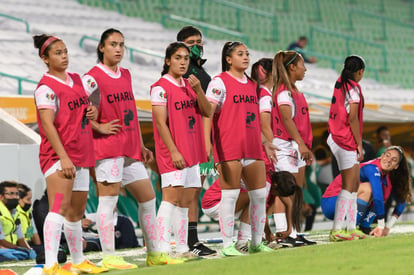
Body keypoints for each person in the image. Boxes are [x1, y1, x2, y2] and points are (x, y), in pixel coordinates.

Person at [83, 28, 178, 268]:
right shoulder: (92, 77)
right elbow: (75, 110)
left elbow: (130, 111)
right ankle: (109, 257)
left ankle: (155, 253)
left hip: (129, 148)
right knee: (108, 202)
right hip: (107, 148)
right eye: (113, 44)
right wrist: (98, 126)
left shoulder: (125, 74)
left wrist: (141, 144)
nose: (118, 49)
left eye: (121, 45)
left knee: (148, 198)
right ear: (102, 47)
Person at [33, 34, 106, 275]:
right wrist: (63, 157)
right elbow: (48, 125)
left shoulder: (76, 80)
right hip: (58, 156)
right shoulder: (45, 88)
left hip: (82, 154)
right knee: (58, 209)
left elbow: (86, 108)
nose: (64, 56)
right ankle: (51, 265)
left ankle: (77, 261)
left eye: (65, 51)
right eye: (57, 53)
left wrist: (92, 111)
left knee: (75, 213)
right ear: (45, 58)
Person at [204, 41, 272, 256]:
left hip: (252, 148)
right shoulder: (219, 82)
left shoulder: (254, 85)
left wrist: (265, 142)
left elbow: (251, 119)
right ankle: (227, 245)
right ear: (228, 59)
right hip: (228, 147)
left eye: (247, 54)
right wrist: (208, 143)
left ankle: (256, 242)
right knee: (230, 195)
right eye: (240, 54)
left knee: (260, 195)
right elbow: (208, 113)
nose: (245, 57)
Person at [151, 41, 212, 259]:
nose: (183, 62)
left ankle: (183, 248)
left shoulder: (189, 85)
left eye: (186, 58)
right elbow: (160, 124)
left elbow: (207, 111)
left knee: (186, 202)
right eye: (178, 57)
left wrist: (198, 89)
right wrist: (174, 151)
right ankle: (161, 249)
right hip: (173, 153)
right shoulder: (160, 87)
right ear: (168, 61)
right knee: (171, 199)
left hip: (193, 153)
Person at [177, 26, 216, 256]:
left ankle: (191, 239)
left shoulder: (202, 72)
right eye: (191, 41)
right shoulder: (185, 72)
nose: (197, 45)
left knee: (195, 190)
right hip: (194, 142)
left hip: (205, 142)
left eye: (199, 41)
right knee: (188, 192)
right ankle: (189, 241)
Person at [270, 50, 315, 246]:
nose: (305, 69)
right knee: (284, 191)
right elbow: (287, 120)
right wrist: (301, 143)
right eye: (302, 64)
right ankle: (283, 233)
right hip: (284, 145)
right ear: (292, 67)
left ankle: (294, 232)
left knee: (295, 191)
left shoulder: (293, 92)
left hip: (293, 145)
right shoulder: (283, 92)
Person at [322, 146, 411, 238]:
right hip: (331, 202)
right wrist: (381, 225)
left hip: (344, 203)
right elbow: (377, 196)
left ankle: (364, 227)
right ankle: (349, 230)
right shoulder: (372, 168)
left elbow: (402, 200)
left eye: (394, 160)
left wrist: (387, 227)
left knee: (382, 192)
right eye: (387, 156)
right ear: (382, 156)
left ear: (396, 166)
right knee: (370, 189)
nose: (388, 160)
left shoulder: (387, 178)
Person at [326, 55, 366, 242]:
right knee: (349, 185)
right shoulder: (353, 90)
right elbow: (352, 118)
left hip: (337, 135)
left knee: (354, 184)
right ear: (360, 72)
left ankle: (351, 228)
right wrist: (359, 143)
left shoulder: (340, 82)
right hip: (344, 138)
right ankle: (337, 229)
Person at [0, 181, 36, 260]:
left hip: (15, 246)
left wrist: (29, 250)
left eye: (16, 194)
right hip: (5, 248)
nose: (15, 197)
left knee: (36, 251)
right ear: (1, 196)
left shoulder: (17, 212)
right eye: (11, 194)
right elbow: (1, 241)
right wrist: (20, 249)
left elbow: (22, 236)